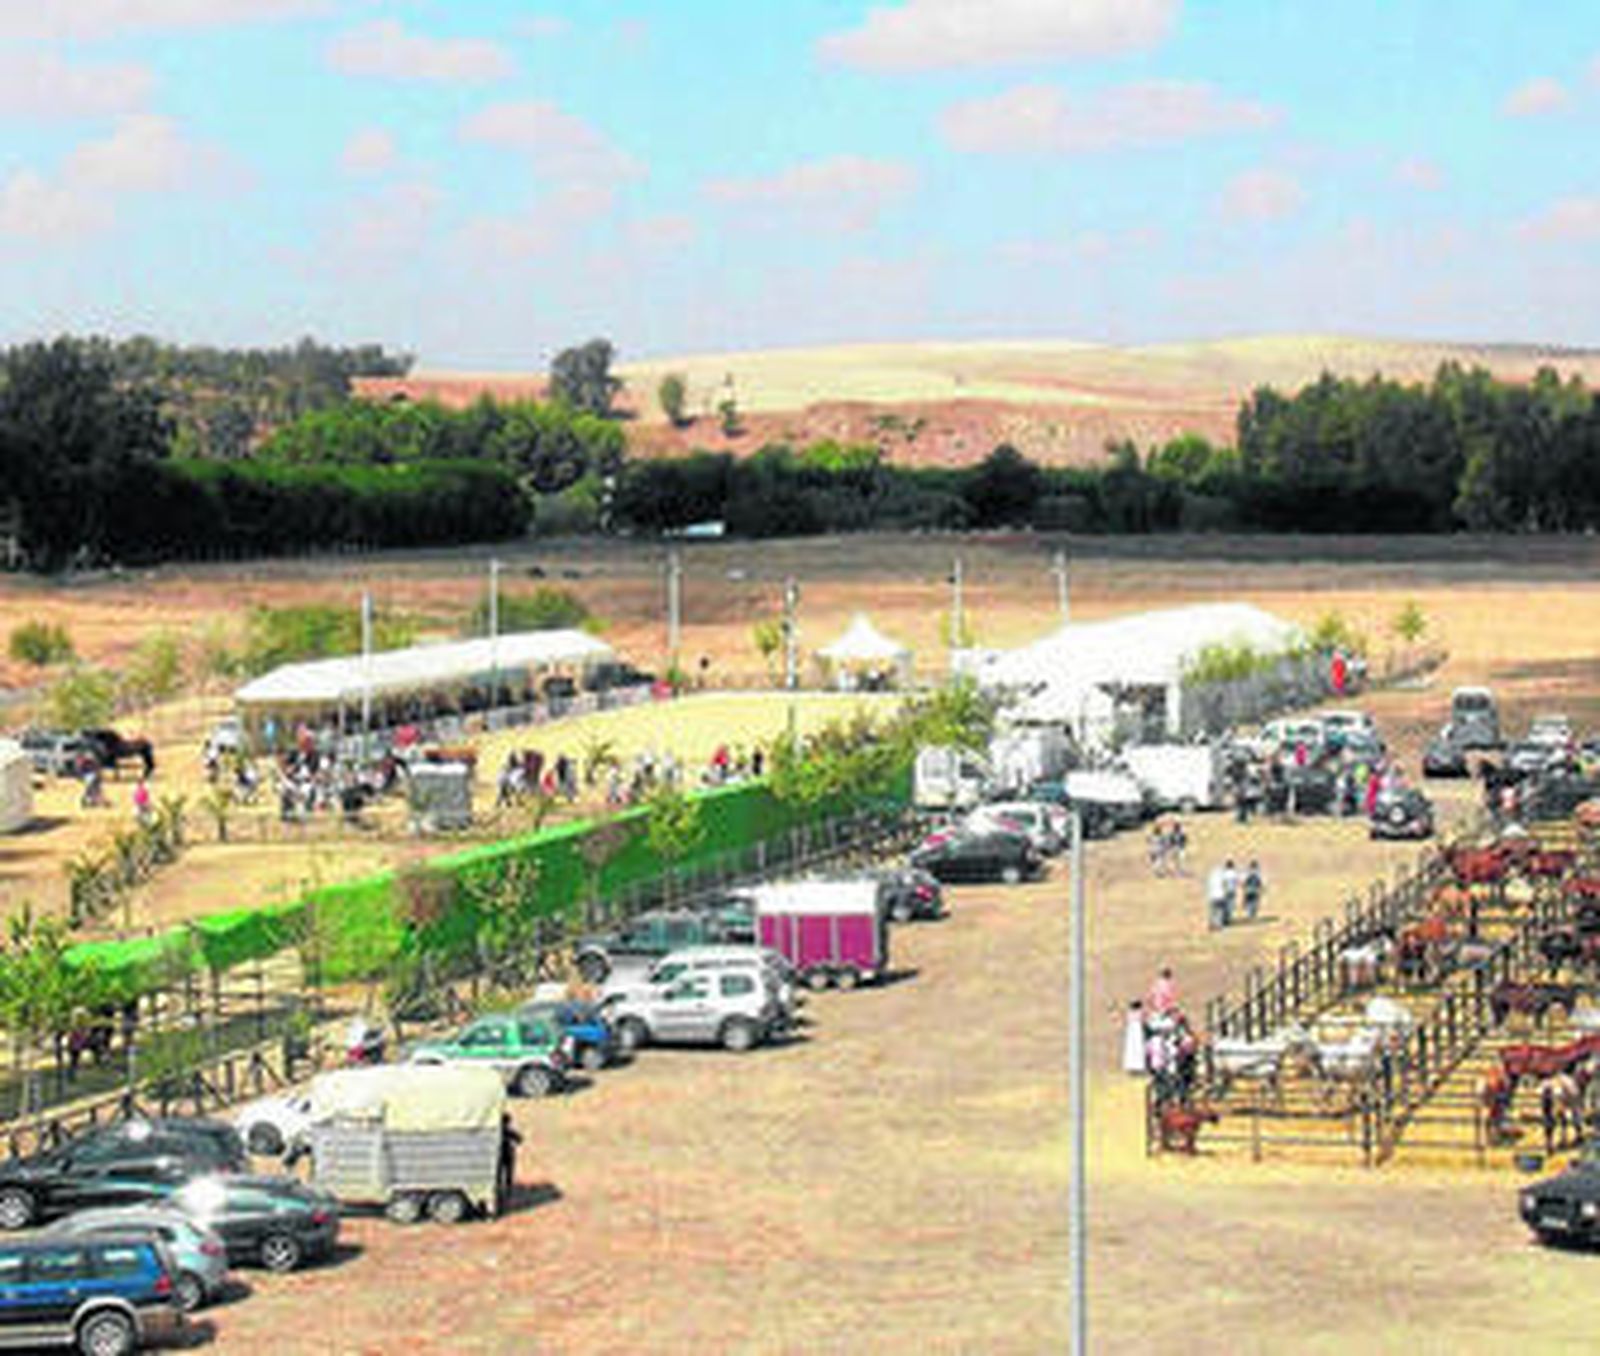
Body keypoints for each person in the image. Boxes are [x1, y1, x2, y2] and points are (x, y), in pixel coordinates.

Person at [496, 1112, 523, 1216]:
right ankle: (507, 1193)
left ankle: (501, 1193)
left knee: (499, 1177)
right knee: (507, 1176)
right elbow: (520, 1139)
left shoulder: (499, 1132)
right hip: (507, 1156)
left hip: (500, 1157)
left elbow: (519, 1139)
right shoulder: (508, 1131)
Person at [1207, 860, 1238, 930]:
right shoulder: (1224, 876)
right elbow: (1226, 885)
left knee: (1213, 911)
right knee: (1220, 911)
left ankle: (1212, 924)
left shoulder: (1212, 878)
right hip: (1221, 896)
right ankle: (1219, 925)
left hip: (1212, 896)